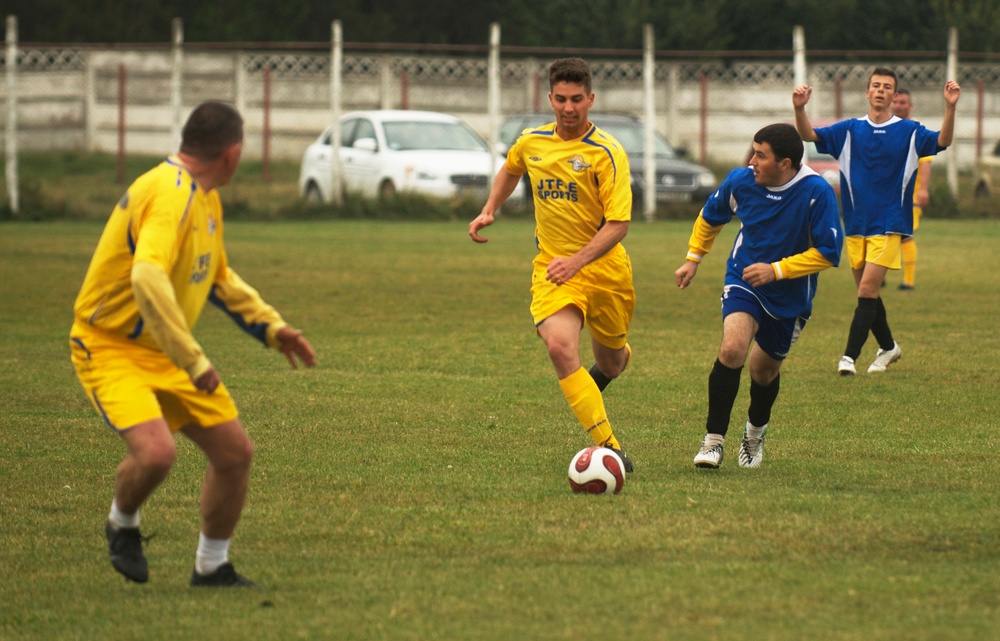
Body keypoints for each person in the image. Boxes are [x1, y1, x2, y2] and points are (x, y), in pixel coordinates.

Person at [70, 101, 317, 587]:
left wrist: (271, 328)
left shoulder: (205, 198)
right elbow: (147, 276)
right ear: (233, 152)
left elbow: (217, 278)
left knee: (234, 453)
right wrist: (194, 360)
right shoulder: (169, 194)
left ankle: (211, 565)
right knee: (157, 454)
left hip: (166, 348)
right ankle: (122, 523)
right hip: (110, 345)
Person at [468, 57, 635, 472]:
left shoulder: (607, 153)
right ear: (550, 98)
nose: (568, 108)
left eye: (577, 99)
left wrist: (577, 261)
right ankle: (610, 449)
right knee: (560, 347)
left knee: (613, 361)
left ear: (590, 99)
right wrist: (490, 208)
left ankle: (601, 372)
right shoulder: (532, 142)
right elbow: (510, 169)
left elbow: (619, 225)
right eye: (560, 99)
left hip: (606, 271)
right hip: (553, 268)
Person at [675, 124, 842, 469]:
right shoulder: (741, 181)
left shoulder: (816, 192)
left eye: (760, 155)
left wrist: (777, 270)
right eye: (753, 151)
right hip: (744, 277)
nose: (751, 161)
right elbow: (710, 217)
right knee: (733, 348)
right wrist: (693, 258)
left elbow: (829, 252)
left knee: (762, 371)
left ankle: (754, 433)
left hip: (790, 295)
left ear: (785, 163)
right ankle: (712, 442)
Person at [792, 69, 960, 375]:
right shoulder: (849, 130)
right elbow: (809, 136)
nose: (881, 91)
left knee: (868, 291)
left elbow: (943, 141)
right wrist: (799, 109)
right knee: (867, 294)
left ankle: (848, 358)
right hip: (856, 223)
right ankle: (889, 347)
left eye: (887, 87)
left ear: (894, 97)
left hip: (890, 222)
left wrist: (950, 108)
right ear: (868, 93)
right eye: (876, 86)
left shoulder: (909, 131)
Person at [891, 88, 932, 290]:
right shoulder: (885, 127)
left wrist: (923, 189)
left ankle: (909, 280)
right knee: (880, 234)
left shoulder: (916, 130)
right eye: (896, 102)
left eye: (903, 102)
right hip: (885, 194)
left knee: (905, 235)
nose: (899, 106)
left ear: (910, 105)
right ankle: (878, 274)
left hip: (909, 195)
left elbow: (925, 163)